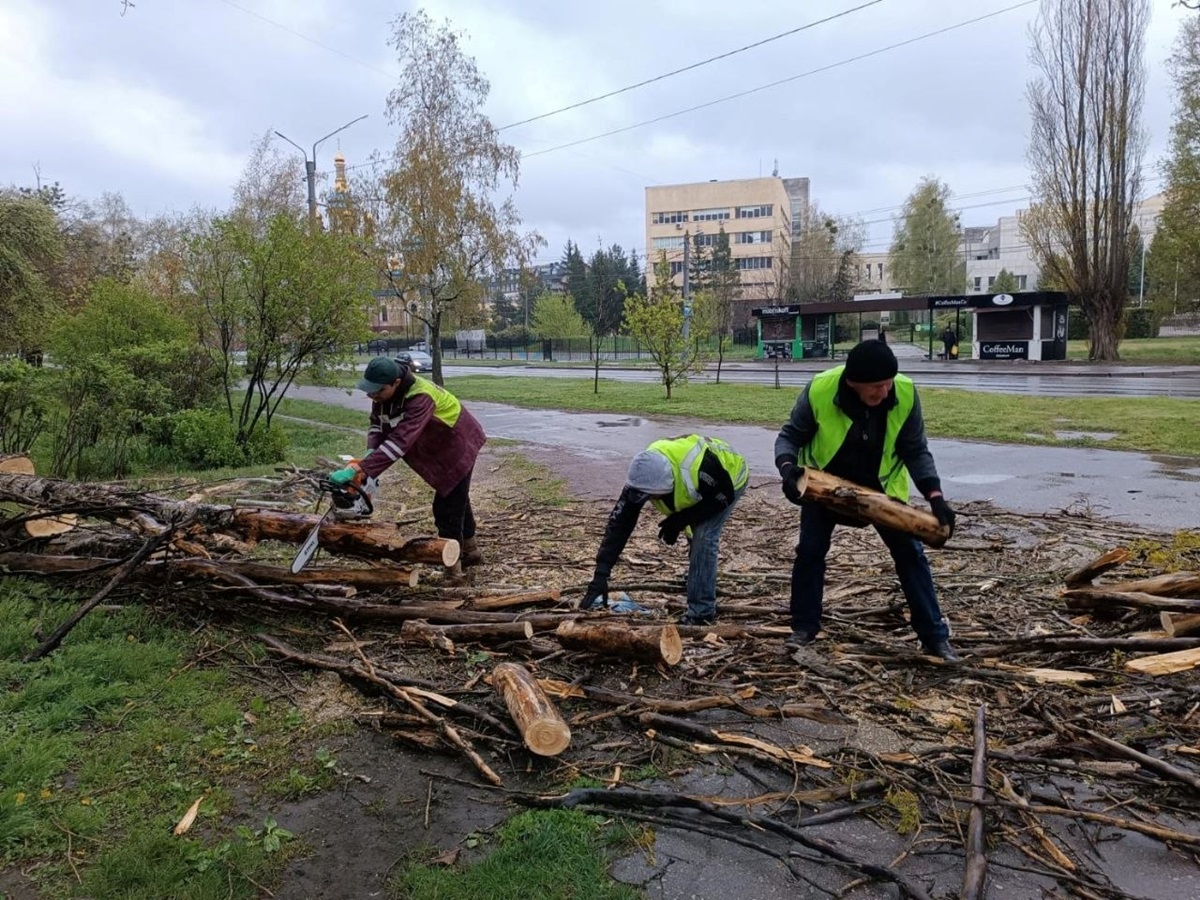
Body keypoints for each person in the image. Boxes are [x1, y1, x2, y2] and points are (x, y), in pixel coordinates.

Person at [773, 339, 961, 662]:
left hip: (882, 489)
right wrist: (789, 470)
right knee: (809, 553)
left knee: (911, 554)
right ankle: (803, 629)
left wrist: (935, 496)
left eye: (888, 383)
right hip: (826, 486)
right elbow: (789, 436)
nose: (885, 392)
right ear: (853, 383)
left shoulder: (904, 393)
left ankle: (934, 636)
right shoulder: (820, 390)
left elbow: (915, 450)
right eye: (876, 386)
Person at [330, 357, 486, 578]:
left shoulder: (420, 397)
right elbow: (377, 426)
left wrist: (361, 469)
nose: (373, 396)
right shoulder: (383, 395)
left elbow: (400, 442)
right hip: (438, 444)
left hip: (458, 443)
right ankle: (472, 551)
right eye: (370, 391)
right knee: (455, 497)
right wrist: (369, 454)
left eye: (378, 391)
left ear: (395, 383)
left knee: (447, 508)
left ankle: (454, 571)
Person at [583, 435, 749, 626]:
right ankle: (698, 576)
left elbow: (723, 497)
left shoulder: (700, 469)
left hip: (730, 478)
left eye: (652, 496)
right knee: (694, 532)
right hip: (700, 485)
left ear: (667, 484)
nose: (648, 500)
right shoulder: (643, 475)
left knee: (704, 536)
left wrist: (681, 519)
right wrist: (601, 574)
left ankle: (701, 613)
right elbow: (619, 525)